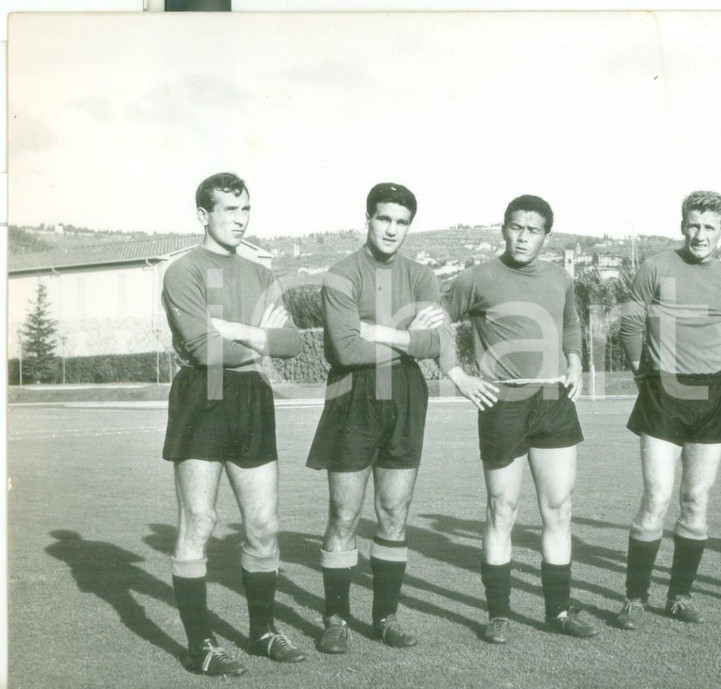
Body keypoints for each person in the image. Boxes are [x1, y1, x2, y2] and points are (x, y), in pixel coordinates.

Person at [161, 172, 305, 677]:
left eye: (246, 210)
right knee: (199, 522)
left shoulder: (261, 274)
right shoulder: (183, 271)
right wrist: (260, 338)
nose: (240, 220)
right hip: (202, 395)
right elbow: (204, 348)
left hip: (250, 397)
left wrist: (237, 330)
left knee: (264, 526)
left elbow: (293, 342)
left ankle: (262, 632)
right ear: (204, 214)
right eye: (229, 211)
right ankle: (201, 645)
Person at [444, 194, 598, 644]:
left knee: (559, 509)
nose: (522, 236)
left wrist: (574, 362)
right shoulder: (476, 278)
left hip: (553, 399)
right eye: (515, 226)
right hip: (502, 404)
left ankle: (559, 611)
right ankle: (499, 614)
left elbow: (571, 324)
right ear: (503, 228)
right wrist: (459, 377)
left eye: (532, 229)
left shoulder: (560, 278)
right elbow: (434, 324)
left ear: (546, 236)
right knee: (502, 509)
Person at [615, 190, 721, 629]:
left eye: (710, 227)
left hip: (709, 398)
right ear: (682, 224)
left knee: (695, 500)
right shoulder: (656, 267)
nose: (700, 234)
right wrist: (639, 371)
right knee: (656, 497)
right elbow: (630, 322)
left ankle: (680, 596)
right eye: (694, 225)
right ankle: (634, 598)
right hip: (661, 391)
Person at [306, 182, 448, 652]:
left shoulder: (423, 276)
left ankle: (385, 616)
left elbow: (436, 344)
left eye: (401, 221)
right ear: (366, 220)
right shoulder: (341, 275)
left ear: (409, 226)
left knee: (393, 512)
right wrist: (406, 334)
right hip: (353, 396)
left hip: (407, 396)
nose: (392, 229)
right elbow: (345, 349)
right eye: (384, 218)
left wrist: (374, 330)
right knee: (344, 513)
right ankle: (336, 618)